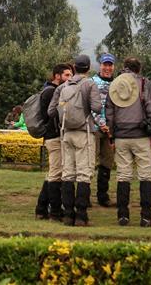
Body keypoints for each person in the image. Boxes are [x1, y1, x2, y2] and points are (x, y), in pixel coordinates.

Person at [47, 54, 106, 227]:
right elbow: (96, 107)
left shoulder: (63, 86)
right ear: (88, 68)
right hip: (83, 132)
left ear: (74, 67)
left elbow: (51, 111)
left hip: (66, 134)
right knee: (83, 174)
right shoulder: (90, 83)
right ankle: (81, 215)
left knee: (67, 174)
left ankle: (67, 215)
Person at [109, 57, 151, 227]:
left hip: (121, 136)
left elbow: (109, 112)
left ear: (124, 68)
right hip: (140, 135)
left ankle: (122, 215)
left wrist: (111, 135)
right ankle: (146, 216)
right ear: (139, 69)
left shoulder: (115, 84)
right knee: (145, 175)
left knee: (123, 175)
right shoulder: (144, 83)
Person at [35, 63, 73, 221]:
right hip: (54, 136)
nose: (69, 78)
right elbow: (54, 115)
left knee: (52, 173)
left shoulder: (47, 89)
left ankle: (41, 208)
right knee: (56, 174)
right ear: (57, 76)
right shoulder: (52, 92)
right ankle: (55, 212)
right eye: (67, 75)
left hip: (52, 136)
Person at [92, 53, 116, 207]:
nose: (107, 68)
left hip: (110, 131)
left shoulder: (116, 83)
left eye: (110, 65)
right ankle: (83, 195)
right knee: (89, 162)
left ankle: (103, 196)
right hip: (94, 128)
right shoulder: (92, 82)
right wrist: (102, 124)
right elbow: (91, 106)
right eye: (105, 65)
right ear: (99, 65)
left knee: (107, 162)